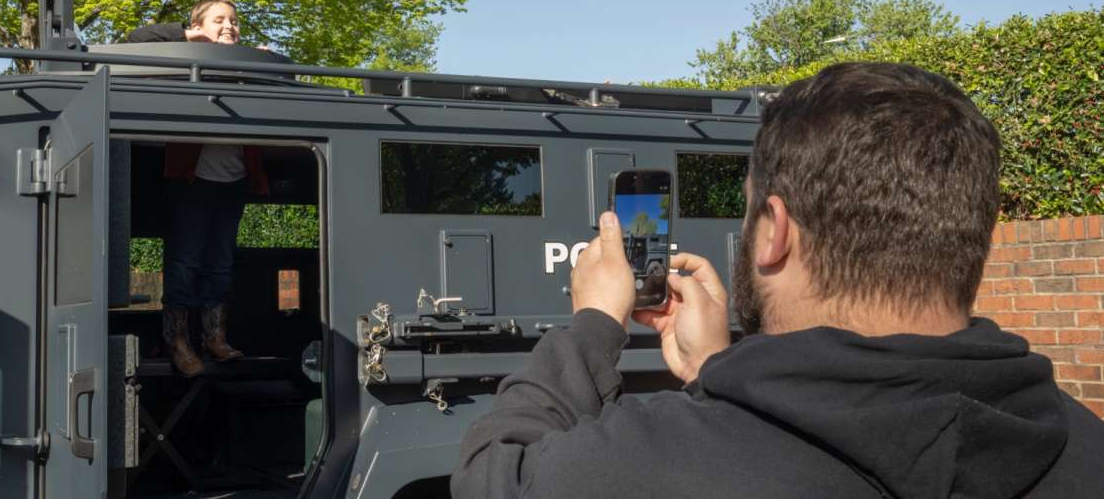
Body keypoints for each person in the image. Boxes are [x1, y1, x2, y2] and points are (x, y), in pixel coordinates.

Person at [453, 62, 1104, 499]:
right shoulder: (1081, 442)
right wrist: (718, 371)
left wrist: (593, 322)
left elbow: (495, 475)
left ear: (774, 232)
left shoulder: (645, 465)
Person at [127, 0, 269, 376]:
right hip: (192, 182)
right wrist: (187, 37)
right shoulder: (185, 63)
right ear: (198, 27)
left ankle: (214, 338)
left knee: (221, 264)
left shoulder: (248, 66)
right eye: (219, 20)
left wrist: (263, 61)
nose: (229, 26)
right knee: (185, 262)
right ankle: (177, 341)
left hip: (234, 182)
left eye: (234, 21)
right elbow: (136, 38)